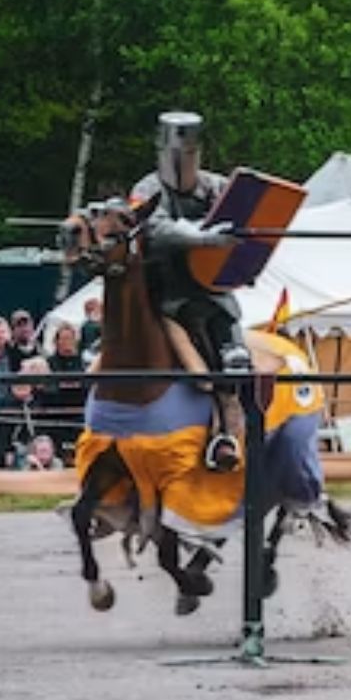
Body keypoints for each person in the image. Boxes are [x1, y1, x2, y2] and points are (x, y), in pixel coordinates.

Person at [127, 111, 248, 472]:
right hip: (159, 289)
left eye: (188, 152)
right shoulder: (147, 189)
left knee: (229, 349)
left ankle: (225, 432)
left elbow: (244, 210)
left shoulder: (215, 185)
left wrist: (246, 237)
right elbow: (153, 227)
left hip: (206, 290)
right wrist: (203, 237)